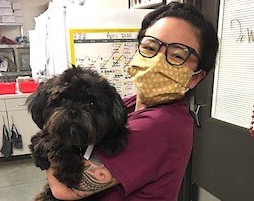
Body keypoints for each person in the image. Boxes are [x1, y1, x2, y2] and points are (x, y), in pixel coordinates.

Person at [46, 2, 219, 200]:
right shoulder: (129, 104)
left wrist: (50, 142)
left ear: (195, 77)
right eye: (150, 47)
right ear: (137, 50)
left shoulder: (159, 124)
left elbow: (66, 188)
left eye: (178, 56)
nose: (157, 61)